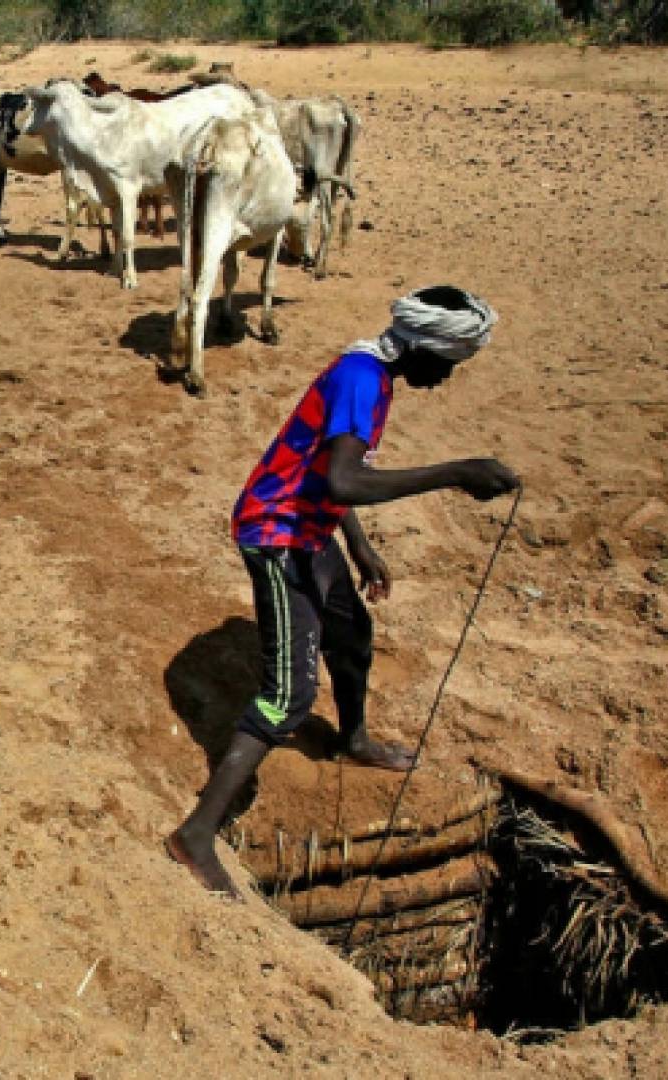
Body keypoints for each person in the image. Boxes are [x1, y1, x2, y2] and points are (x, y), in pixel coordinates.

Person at [167, 285, 520, 898]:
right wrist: (457, 473)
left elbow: (327, 472)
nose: (449, 376)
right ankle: (196, 833)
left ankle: (352, 739)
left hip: (311, 527)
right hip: (277, 535)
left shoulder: (372, 375)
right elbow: (343, 477)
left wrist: (356, 545)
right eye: (451, 364)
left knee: (352, 634)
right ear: (427, 349)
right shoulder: (362, 379)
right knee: (289, 696)